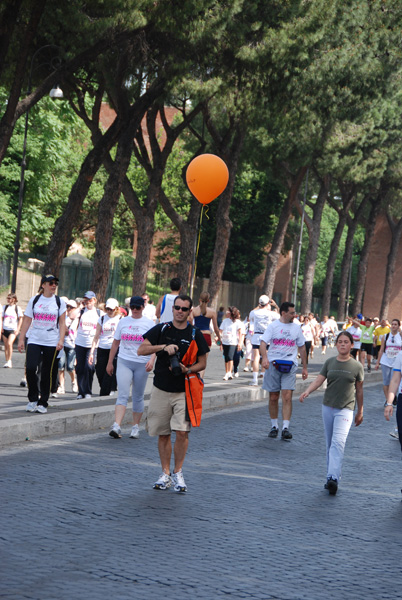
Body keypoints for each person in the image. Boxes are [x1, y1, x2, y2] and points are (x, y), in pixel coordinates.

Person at [138, 294, 209, 492]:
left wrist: (188, 369)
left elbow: (203, 362)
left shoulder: (195, 334)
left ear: (190, 311)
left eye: (184, 309)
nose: (179, 311)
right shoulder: (162, 329)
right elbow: (141, 350)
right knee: (162, 433)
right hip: (161, 388)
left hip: (184, 390)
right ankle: (165, 473)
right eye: (177, 307)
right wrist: (163, 347)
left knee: (182, 432)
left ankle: (178, 472)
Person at [299, 331, 364, 496]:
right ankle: (330, 476)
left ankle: (333, 478)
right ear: (336, 345)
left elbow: (359, 390)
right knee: (330, 444)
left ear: (351, 345)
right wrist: (307, 391)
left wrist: (360, 411)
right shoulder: (329, 362)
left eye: (346, 342)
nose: (342, 344)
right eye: (340, 342)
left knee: (337, 443)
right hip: (328, 407)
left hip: (346, 409)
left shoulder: (357, 366)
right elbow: (319, 380)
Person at [107, 296, 155, 439]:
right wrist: (110, 362)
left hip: (142, 362)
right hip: (124, 360)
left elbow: (155, 345)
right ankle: (117, 425)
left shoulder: (149, 324)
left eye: (137, 308)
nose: (134, 310)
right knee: (122, 393)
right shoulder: (123, 321)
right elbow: (115, 343)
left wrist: (152, 360)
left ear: (142, 307)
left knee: (137, 396)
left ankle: (135, 426)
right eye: (132, 307)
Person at [18, 274, 66, 414]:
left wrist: (61, 340)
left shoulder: (59, 302)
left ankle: (43, 402)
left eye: (55, 283)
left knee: (47, 371)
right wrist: (21, 339)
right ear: (43, 285)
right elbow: (27, 320)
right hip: (34, 339)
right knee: (31, 368)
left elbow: (62, 323)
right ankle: (33, 398)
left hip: (51, 341)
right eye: (50, 283)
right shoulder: (35, 300)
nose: (53, 286)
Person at [260, 301, 308, 440]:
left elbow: (302, 347)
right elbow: (263, 343)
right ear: (283, 313)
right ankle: (274, 426)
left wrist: (304, 367)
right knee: (273, 396)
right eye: (292, 313)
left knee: (287, 396)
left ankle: (286, 427)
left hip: (290, 364)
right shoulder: (273, 326)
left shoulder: (296, 327)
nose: (294, 315)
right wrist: (265, 358)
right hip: (273, 364)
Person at [89, 298, 121, 396]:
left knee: (111, 369)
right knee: (100, 370)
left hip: (114, 347)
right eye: (108, 309)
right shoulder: (102, 318)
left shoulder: (120, 319)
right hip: (102, 347)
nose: (110, 311)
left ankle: (108, 390)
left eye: (112, 309)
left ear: (116, 309)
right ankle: (105, 388)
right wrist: (91, 352)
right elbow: (96, 336)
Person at [74, 291, 101, 399]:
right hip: (80, 343)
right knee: (80, 367)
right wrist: (80, 306)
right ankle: (81, 391)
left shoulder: (99, 313)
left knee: (89, 367)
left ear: (94, 300)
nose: (88, 302)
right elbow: (71, 315)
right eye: (86, 300)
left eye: (90, 300)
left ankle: (88, 390)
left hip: (92, 344)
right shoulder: (81, 311)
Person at [248, 295, 279, 386]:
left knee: (256, 357)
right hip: (266, 336)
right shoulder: (271, 313)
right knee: (266, 357)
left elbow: (251, 314)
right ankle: (265, 377)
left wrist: (259, 305)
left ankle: (254, 379)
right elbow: (281, 316)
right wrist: (276, 306)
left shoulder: (254, 312)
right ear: (268, 303)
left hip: (256, 336)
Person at [375, 319, 402, 406]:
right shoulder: (386, 336)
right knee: (386, 382)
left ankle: (393, 396)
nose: (394, 326)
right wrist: (377, 362)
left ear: (398, 326)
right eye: (392, 324)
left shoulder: (400, 336)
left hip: (396, 363)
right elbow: (381, 350)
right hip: (386, 361)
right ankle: (388, 400)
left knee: (393, 381)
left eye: (395, 324)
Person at [57, 299, 79, 394]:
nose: (69, 309)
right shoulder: (63, 317)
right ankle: (61, 385)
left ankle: (74, 381)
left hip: (72, 344)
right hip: (62, 343)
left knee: (70, 367)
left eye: (71, 307)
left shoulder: (78, 319)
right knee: (60, 365)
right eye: (67, 307)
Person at [219, 306, 244, 381]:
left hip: (233, 342)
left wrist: (240, 343)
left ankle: (229, 372)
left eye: (228, 311)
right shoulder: (225, 321)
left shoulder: (237, 322)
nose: (227, 312)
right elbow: (221, 331)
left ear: (232, 313)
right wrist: (218, 338)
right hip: (225, 342)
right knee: (226, 358)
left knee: (230, 357)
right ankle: (227, 372)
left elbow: (240, 333)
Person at [2, 292, 23, 368]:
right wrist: (1, 327)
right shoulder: (5, 307)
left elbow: (21, 319)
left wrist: (18, 329)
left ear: (13, 299)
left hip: (13, 329)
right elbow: (1, 318)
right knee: (6, 345)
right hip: (5, 328)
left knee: (10, 343)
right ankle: (7, 360)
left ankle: (10, 360)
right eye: (7, 298)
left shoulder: (17, 308)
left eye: (9, 298)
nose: (8, 300)